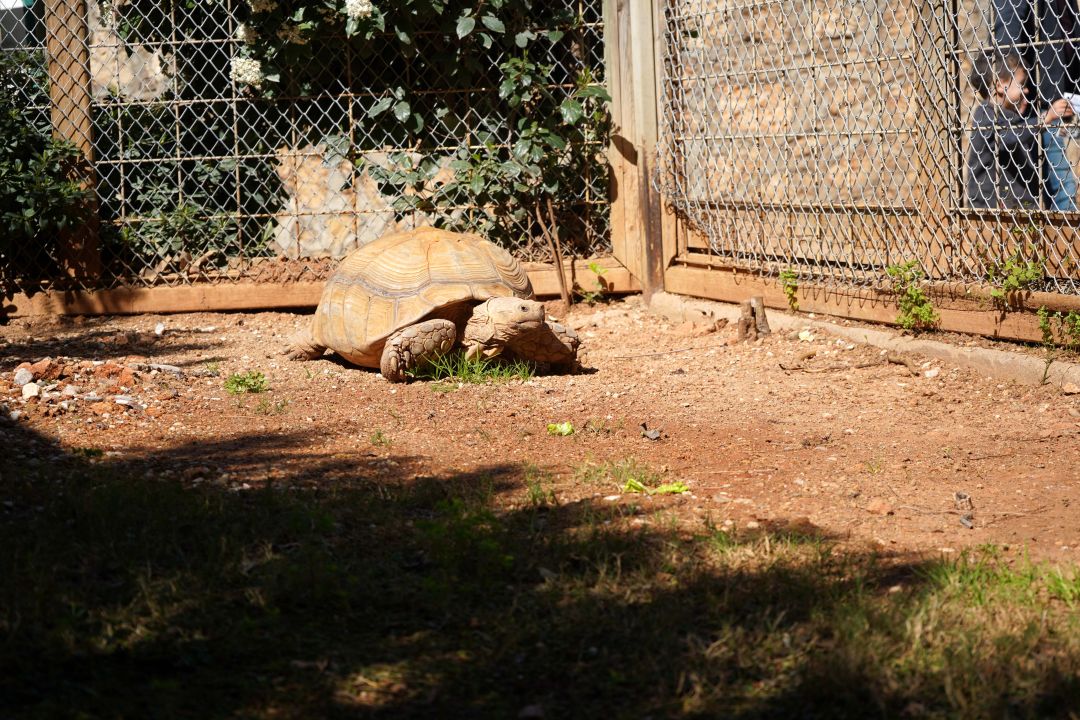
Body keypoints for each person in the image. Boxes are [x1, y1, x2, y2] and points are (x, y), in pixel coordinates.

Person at [994, 0, 1080, 210]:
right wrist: (1012, 82)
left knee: (1058, 185)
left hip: (1066, 92)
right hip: (1039, 97)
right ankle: (1062, 239)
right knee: (1062, 188)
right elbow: (1008, 23)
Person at [967, 50, 1074, 208]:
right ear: (1000, 85)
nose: (1026, 90)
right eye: (1022, 84)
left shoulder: (1014, 117)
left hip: (1020, 208)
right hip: (989, 208)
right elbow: (1006, 138)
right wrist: (1046, 118)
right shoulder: (985, 114)